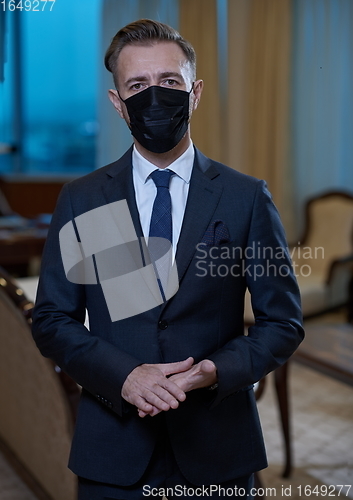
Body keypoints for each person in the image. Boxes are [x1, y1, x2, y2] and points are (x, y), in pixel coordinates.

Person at [32, 19, 304, 499]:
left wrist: (214, 371)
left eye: (169, 82)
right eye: (137, 85)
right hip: (113, 447)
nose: (153, 97)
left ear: (194, 92)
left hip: (218, 445)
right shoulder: (84, 198)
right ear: (118, 102)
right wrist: (127, 376)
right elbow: (54, 318)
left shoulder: (245, 197)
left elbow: (281, 322)